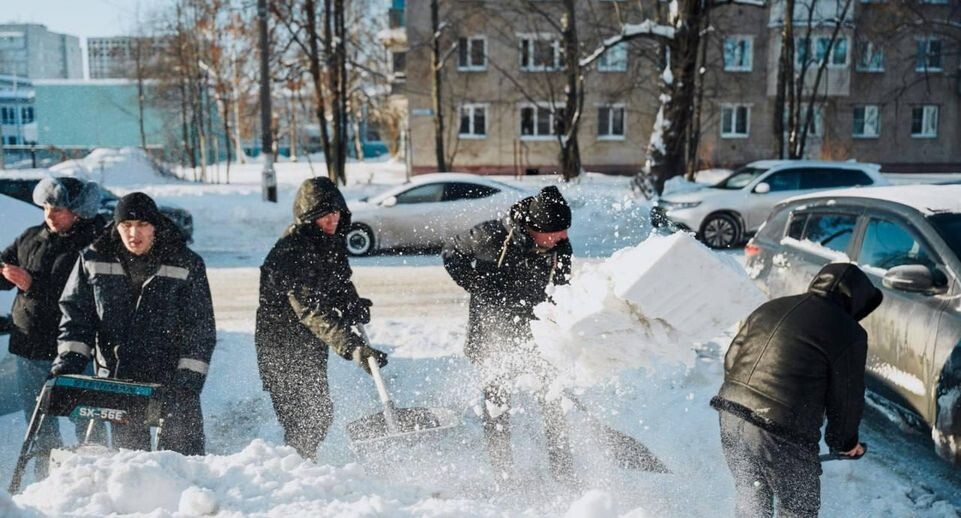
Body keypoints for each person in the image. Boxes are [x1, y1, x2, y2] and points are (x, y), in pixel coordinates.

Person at [710, 263, 883, 517]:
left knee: (751, 496)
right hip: (781, 431)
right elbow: (846, 397)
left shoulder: (771, 307)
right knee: (798, 509)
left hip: (730, 414)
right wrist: (844, 443)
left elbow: (732, 359)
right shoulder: (849, 332)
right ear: (858, 300)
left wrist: (743, 402)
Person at [50, 192, 216, 456]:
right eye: (126, 225)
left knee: (183, 460)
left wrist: (188, 382)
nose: (133, 233)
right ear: (116, 227)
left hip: (171, 380)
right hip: (120, 378)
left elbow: (200, 328)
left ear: (155, 227)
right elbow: (76, 318)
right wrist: (67, 363)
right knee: (129, 461)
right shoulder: (93, 259)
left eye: (142, 225)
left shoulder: (185, 262)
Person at [442, 185, 575, 485]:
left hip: (539, 336)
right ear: (536, 228)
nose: (565, 237)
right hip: (493, 335)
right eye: (558, 231)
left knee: (554, 402)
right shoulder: (492, 235)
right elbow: (451, 250)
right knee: (496, 406)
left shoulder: (560, 248)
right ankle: (504, 475)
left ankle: (564, 472)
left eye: (566, 230)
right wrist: (475, 284)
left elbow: (564, 289)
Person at [255, 177, 387, 460]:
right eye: (324, 215)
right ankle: (294, 471)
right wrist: (353, 347)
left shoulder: (329, 241)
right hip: (280, 347)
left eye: (336, 212)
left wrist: (351, 304)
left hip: (311, 341)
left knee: (320, 413)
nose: (332, 220)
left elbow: (338, 281)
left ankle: (304, 464)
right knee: (301, 420)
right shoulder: (289, 253)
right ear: (308, 217)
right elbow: (311, 310)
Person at [1, 177, 104, 476]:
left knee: (87, 420)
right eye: (46, 207)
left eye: (57, 209)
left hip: (72, 351)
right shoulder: (30, 237)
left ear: (78, 212)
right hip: (28, 350)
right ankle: (46, 482)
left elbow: (78, 295)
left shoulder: (90, 244)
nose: (49, 214)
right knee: (39, 422)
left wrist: (31, 284)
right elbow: (5, 267)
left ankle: (101, 476)